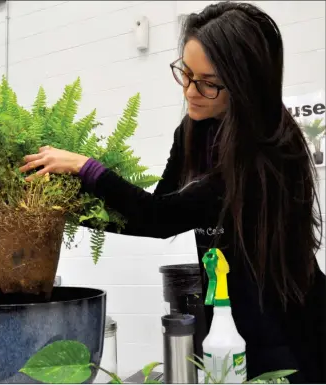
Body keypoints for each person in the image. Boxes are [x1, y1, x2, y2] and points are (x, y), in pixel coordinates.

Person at [20, 2, 325, 383]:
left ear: (247, 83)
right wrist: (63, 209)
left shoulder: (267, 152)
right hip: (227, 317)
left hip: (288, 328)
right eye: (185, 72)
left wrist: (88, 169)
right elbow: (154, 211)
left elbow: (160, 217)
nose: (190, 91)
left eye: (208, 82)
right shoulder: (193, 130)